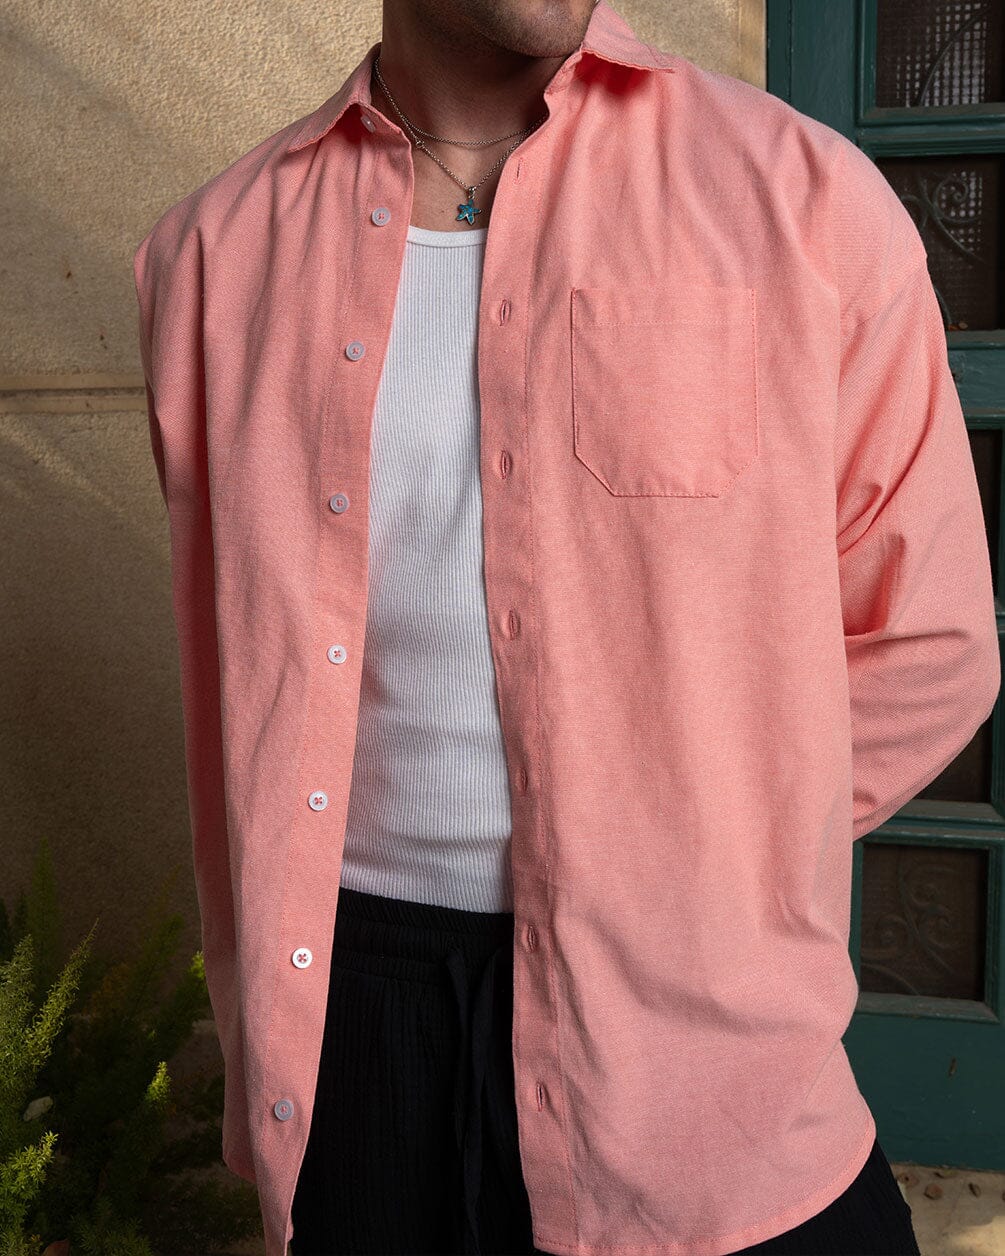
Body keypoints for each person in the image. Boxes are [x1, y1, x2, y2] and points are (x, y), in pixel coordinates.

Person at [132, 1, 998, 1253]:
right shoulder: (214, 257)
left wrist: (715, 847)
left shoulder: (803, 201)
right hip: (354, 1031)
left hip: (707, 1047)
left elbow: (932, 646)